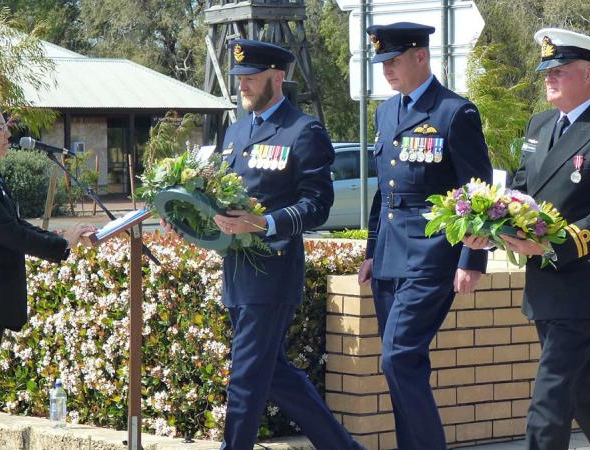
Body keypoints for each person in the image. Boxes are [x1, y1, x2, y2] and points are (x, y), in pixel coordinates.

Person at [466, 29, 590, 450]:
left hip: (588, 279)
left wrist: (554, 245)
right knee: (582, 392)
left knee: (550, 395)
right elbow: (519, 196)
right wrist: (489, 232)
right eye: (546, 71)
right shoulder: (539, 125)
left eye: (559, 70)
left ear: (589, 74)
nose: (548, 78)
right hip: (547, 281)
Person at [189, 40, 364, 450]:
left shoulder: (303, 131)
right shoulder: (235, 130)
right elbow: (218, 194)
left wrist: (266, 222)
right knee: (275, 375)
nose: (243, 86)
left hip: (273, 271)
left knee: (247, 377)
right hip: (236, 271)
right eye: (239, 80)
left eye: (251, 78)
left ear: (277, 76)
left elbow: (318, 205)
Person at [356, 22, 493, 450]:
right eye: (382, 63)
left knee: (396, 356)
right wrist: (371, 251)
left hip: (434, 257)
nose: (387, 71)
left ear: (420, 56)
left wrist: (473, 260)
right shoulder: (385, 112)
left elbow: (479, 192)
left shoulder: (454, 112)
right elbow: (386, 192)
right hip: (390, 260)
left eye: (394, 61)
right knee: (405, 366)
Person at [0, 99, 95, 449]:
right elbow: (11, 235)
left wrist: (60, 238)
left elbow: (12, 226)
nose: (7, 134)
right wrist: (62, 247)